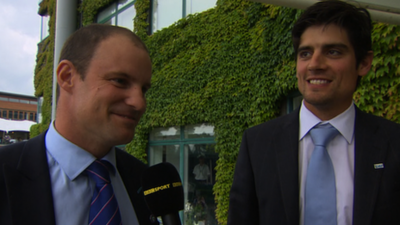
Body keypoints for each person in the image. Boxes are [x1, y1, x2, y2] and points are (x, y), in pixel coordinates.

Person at [228, 1, 400, 225]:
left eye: (333, 52)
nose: (315, 64)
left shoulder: (394, 143)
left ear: (364, 63)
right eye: (305, 53)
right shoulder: (258, 144)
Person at [0, 24, 158, 225]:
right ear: (67, 77)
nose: (139, 103)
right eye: (120, 81)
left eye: (143, 89)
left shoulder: (144, 180)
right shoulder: (6, 174)